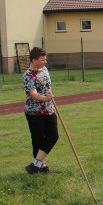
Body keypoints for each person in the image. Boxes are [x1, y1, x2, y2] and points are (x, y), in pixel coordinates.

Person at [23, 46, 58, 174]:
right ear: (33, 60)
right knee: (38, 140)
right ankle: (41, 167)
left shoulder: (45, 70)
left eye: (45, 59)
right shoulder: (28, 75)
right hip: (34, 112)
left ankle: (35, 165)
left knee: (53, 136)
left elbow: (48, 86)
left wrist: (50, 96)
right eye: (42, 60)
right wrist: (45, 98)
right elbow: (33, 94)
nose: (45, 62)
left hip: (49, 110)